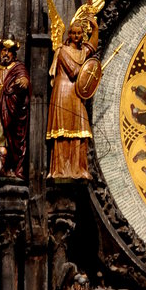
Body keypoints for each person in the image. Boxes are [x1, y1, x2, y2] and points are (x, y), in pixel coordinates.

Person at [47, 19, 97, 181]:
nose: (76, 36)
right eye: (73, 33)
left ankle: (79, 168)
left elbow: (92, 48)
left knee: (80, 132)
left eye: (79, 33)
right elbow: (74, 71)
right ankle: (60, 169)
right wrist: (89, 72)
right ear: (69, 34)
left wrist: (95, 29)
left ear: (82, 35)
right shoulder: (63, 51)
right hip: (64, 92)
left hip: (76, 94)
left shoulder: (82, 51)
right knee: (63, 132)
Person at [0, 38, 31, 181]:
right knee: (0, 136)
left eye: (9, 51)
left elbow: (25, 81)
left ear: (14, 53)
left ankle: (13, 168)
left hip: (14, 107)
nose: (6, 53)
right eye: (4, 50)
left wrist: (23, 82)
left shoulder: (19, 67)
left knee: (14, 137)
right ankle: (1, 168)